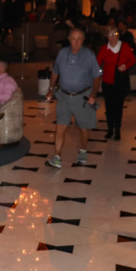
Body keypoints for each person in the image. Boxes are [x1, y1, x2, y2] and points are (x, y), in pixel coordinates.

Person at [45, 27, 102, 169]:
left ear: (83, 40)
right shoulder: (63, 53)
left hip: (82, 97)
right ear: (69, 39)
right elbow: (55, 72)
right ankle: (57, 157)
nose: (76, 42)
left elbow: (97, 75)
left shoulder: (89, 55)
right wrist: (50, 90)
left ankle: (83, 150)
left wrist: (93, 94)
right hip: (63, 96)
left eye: (79, 39)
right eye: (73, 38)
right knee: (60, 126)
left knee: (84, 127)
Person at [97, 27, 136, 140]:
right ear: (107, 37)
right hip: (107, 82)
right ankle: (110, 129)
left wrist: (125, 66)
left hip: (120, 82)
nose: (113, 36)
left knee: (118, 106)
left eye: (115, 34)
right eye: (110, 34)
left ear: (118, 35)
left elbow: (132, 60)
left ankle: (117, 130)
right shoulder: (104, 49)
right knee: (109, 107)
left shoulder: (124, 46)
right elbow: (97, 63)